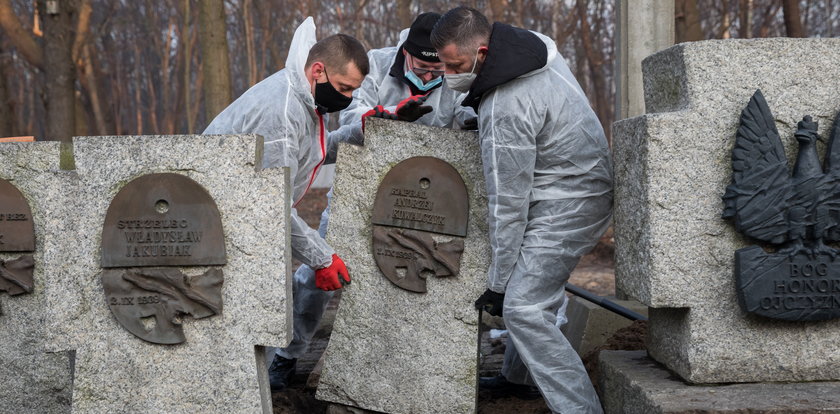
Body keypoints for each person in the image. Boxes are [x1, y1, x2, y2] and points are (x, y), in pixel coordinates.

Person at [266, 11, 476, 392]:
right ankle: (288, 354)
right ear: (406, 54)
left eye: (436, 73)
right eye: (421, 69)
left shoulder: (456, 72)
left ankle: (410, 364)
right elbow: (354, 110)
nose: (429, 78)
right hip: (363, 190)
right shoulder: (375, 64)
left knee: (421, 276)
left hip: (431, 197)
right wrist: (387, 118)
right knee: (317, 272)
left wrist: (472, 119)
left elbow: (465, 114)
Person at [431, 7, 612, 414]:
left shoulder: (507, 105)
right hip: (578, 184)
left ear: (481, 52)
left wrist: (497, 283)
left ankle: (581, 409)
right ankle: (519, 378)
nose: (446, 72)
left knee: (523, 308)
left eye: (454, 64)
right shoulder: (531, 50)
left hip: (567, 203)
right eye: (442, 62)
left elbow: (508, 203)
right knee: (534, 297)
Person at [202, 17, 368, 390]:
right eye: (343, 88)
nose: (347, 99)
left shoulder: (304, 98)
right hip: (220, 223)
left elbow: (310, 154)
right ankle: (234, 390)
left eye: (354, 92)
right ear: (319, 70)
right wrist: (321, 257)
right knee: (233, 318)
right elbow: (271, 204)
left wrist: (362, 130)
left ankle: (247, 384)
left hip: (241, 217)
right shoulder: (280, 110)